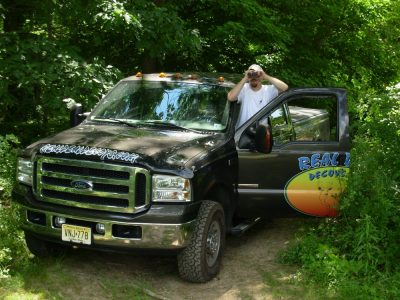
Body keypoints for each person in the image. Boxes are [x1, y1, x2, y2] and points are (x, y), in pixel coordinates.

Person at [227, 64, 288, 129]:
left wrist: (265, 76)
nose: (254, 77)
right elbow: (231, 97)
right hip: (242, 133)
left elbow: (284, 87)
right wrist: (245, 78)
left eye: (257, 74)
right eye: (251, 74)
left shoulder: (268, 90)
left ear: (261, 77)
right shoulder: (244, 88)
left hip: (260, 133)